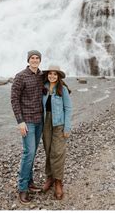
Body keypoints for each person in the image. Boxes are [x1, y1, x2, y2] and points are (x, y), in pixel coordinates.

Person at [10, 50, 45, 204]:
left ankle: (30, 183)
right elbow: (14, 100)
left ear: (40, 60)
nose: (35, 60)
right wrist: (20, 121)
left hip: (39, 120)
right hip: (27, 122)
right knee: (28, 153)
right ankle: (22, 188)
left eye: (37, 58)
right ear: (28, 60)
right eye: (32, 58)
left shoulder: (41, 76)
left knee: (33, 152)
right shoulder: (20, 77)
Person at [41, 65, 73, 200]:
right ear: (47, 75)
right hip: (45, 123)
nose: (52, 76)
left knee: (58, 152)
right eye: (50, 73)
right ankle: (50, 178)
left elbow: (68, 108)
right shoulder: (43, 88)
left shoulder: (63, 89)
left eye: (55, 74)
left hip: (59, 123)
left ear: (58, 76)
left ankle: (59, 181)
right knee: (48, 150)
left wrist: (67, 128)